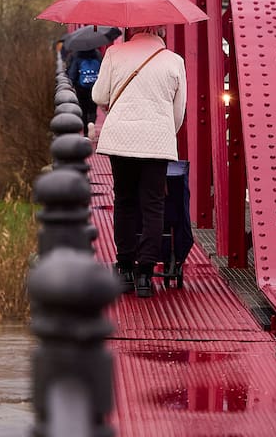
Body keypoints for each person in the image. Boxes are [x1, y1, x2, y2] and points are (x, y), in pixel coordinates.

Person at [90, 25, 186, 298]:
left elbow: (99, 96)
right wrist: (164, 131)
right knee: (154, 205)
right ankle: (145, 274)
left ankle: (125, 270)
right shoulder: (174, 61)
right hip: (157, 141)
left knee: (125, 201)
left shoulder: (114, 53)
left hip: (121, 139)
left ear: (134, 29)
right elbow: (178, 112)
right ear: (162, 31)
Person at [66, 46, 102, 132]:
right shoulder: (97, 54)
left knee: (83, 109)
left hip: (81, 88)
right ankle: (92, 123)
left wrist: (72, 83)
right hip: (94, 86)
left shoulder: (77, 55)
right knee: (93, 108)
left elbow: (72, 74)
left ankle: (86, 132)